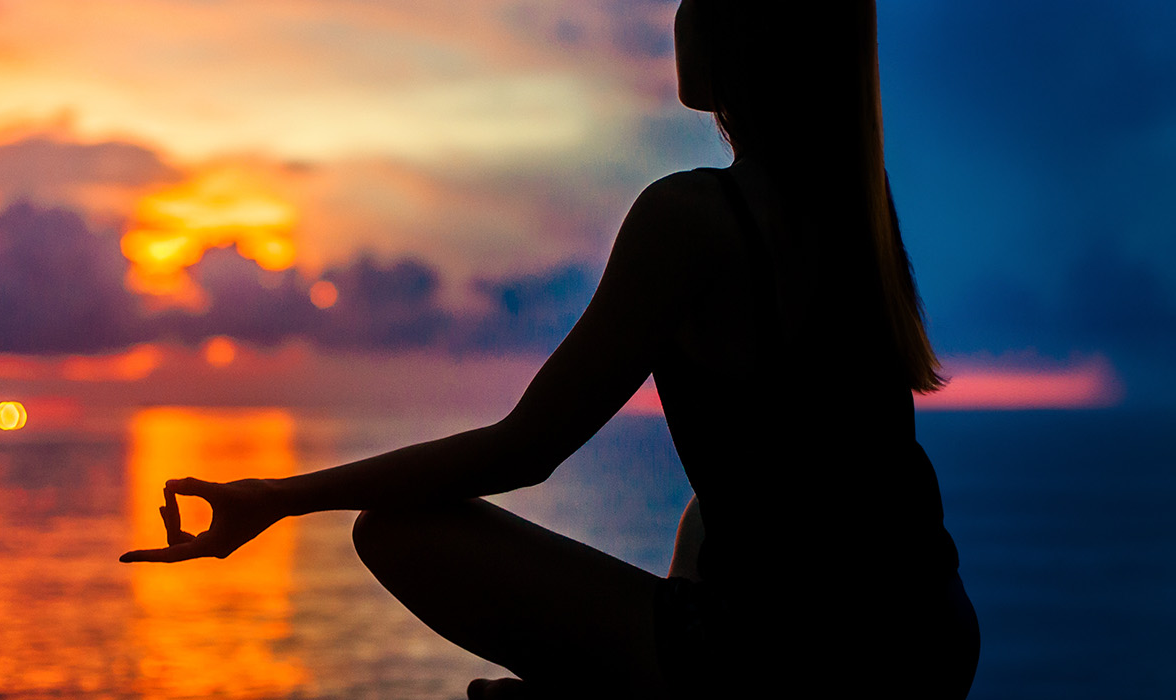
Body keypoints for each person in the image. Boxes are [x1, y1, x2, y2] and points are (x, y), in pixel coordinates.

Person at [120, 1, 980, 697]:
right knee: (706, 515)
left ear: (750, 25)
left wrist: (276, 497)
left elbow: (523, 449)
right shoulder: (855, 202)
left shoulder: (691, 218)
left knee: (397, 534)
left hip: (789, 665)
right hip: (929, 640)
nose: (678, 12)